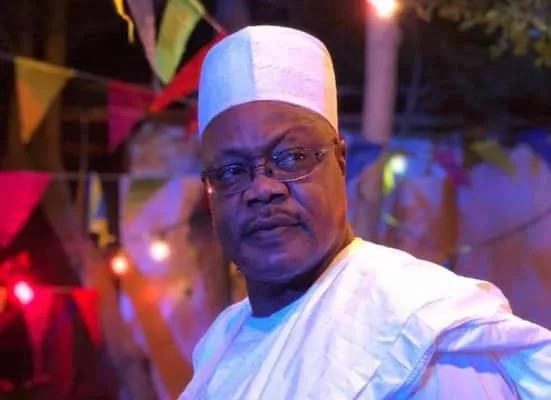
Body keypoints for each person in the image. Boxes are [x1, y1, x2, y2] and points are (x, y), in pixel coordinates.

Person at [178, 25, 551, 399]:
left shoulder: (421, 338)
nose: (262, 188)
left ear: (341, 161)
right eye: (231, 171)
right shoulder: (221, 344)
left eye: (291, 157)